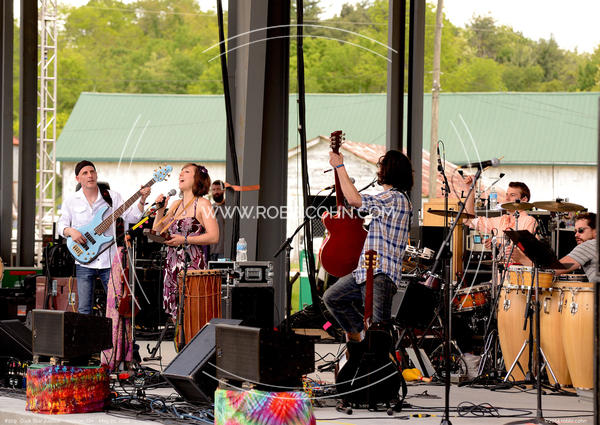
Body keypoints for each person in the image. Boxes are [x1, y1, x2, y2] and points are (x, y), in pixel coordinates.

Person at [323, 150, 413, 342]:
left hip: (380, 274)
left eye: (381, 166)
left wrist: (339, 166)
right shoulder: (390, 199)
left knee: (378, 332)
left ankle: (374, 350)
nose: (378, 170)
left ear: (388, 170)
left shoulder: (394, 198)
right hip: (366, 271)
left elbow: (355, 200)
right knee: (332, 297)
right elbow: (355, 204)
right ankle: (360, 339)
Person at [58, 160, 151, 315]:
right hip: (84, 261)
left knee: (115, 306)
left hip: (108, 260)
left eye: (92, 172)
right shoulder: (71, 200)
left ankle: (113, 332)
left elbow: (133, 217)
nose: (90, 175)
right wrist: (71, 231)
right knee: (84, 308)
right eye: (85, 173)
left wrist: (141, 200)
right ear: (78, 179)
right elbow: (61, 225)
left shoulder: (112, 197)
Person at [152, 163, 219, 318]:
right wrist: (160, 210)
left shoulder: (203, 203)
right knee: (175, 314)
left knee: (191, 312)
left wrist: (184, 239)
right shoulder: (175, 204)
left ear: (197, 179)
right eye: (181, 172)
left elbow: (214, 236)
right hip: (172, 263)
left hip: (191, 263)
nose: (180, 174)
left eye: (186, 171)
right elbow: (158, 230)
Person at [463, 179, 536, 266]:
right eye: (506, 195)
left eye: (512, 195)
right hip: (500, 273)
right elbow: (467, 220)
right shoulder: (501, 220)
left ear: (524, 200)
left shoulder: (529, 221)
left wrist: (519, 257)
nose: (507, 199)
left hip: (519, 273)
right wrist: (471, 189)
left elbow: (535, 260)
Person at [556, 212, 597, 282]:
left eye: (581, 230)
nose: (576, 235)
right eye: (575, 231)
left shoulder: (590, 245)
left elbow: (554, 269)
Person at [209, 180, 226, 261]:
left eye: (218, 189)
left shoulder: (229, 207)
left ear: (224, 190)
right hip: (210, 251)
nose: (216, 192)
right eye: (214, 189)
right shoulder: (209, 208)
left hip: (224, 251)